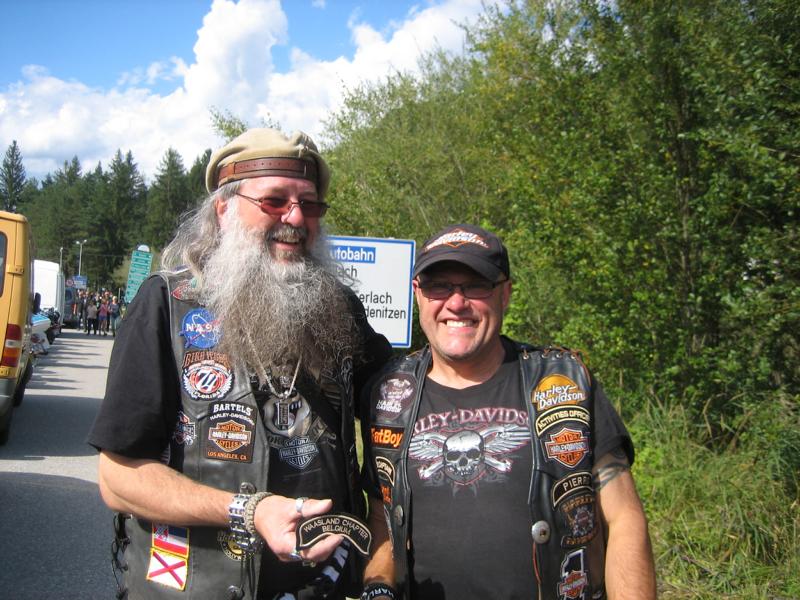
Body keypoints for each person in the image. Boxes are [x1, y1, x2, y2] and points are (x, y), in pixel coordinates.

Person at [88, 128, 393, 599]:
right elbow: (119, 479)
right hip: (192, 587)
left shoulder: (338, 307)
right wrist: (249, 510)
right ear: (224, 209)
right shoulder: (166, 306)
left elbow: (401, 399)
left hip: (324, 585)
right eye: (274, 200)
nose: (295, 218)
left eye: (310, 204)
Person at [360, 224, 657, 600]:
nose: (456, 303)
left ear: (506, 294)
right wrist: (378, 587)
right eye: (439, 286)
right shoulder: (389, 397)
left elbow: (624, 518)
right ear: (418, 293)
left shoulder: (564, 384)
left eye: (476, 285)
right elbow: (382, 521)